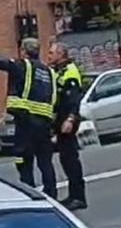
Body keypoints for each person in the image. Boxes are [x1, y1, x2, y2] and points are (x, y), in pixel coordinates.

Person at [0, 39, 58, 199]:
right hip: (44, 124)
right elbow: (54, 99)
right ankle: (52, 194)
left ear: (23, 51)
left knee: (22, 158)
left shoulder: (23, 66)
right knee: (45, 161)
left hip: (26, 121)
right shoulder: (49, 72)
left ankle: (29, 193)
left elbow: (2, 62)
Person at [48, 43, 87, 210]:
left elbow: (74, 100)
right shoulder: (59, 71)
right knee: (65, 158)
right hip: (60, 120)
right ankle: (73, 196)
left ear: (61, 54)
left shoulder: (70, 72)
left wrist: (70, 120)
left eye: (51, 53)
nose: (49, 56)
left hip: (67, 121)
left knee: (71, 159)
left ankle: (78, 197)